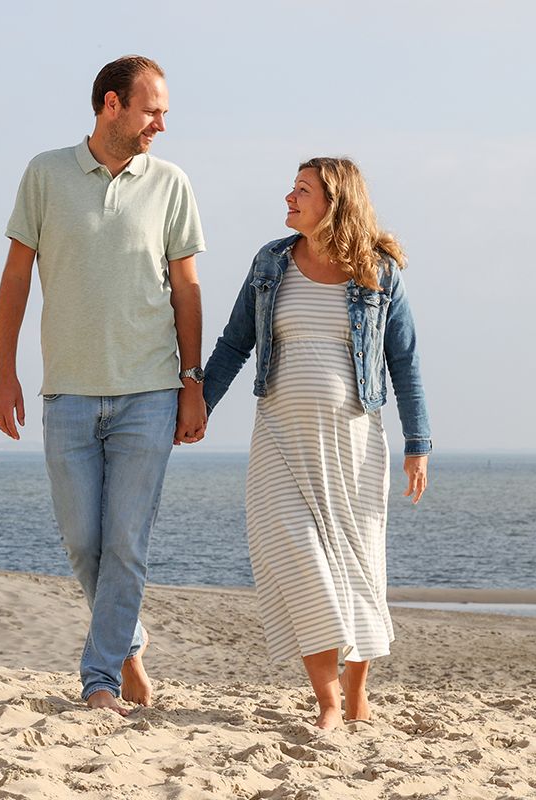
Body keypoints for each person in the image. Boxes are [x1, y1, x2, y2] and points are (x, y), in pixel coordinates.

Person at [0, 55, 207, 716]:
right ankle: (128, 649)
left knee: (126, 545)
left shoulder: (170, 184)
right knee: (85, 543)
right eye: (152, 111)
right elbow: (17, 278)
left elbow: (186, 288)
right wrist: (4, 370)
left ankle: (99, 678)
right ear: (111, 106)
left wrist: (192, 380)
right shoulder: (45, 174)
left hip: (149, 392)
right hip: (69, 394)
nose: (160, 125)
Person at [202, 157, 431, 730]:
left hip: (354, 446)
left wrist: (418, 443)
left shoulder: (379, 271)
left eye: (302, 190)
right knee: (298, 562)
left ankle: (357, 699)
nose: (289, 196)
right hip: (279, 439)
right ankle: (328, 701)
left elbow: (404, 361)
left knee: (359, 572)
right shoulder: (270, 264)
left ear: (335, 201)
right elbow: (235, 344)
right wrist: (197, 408)